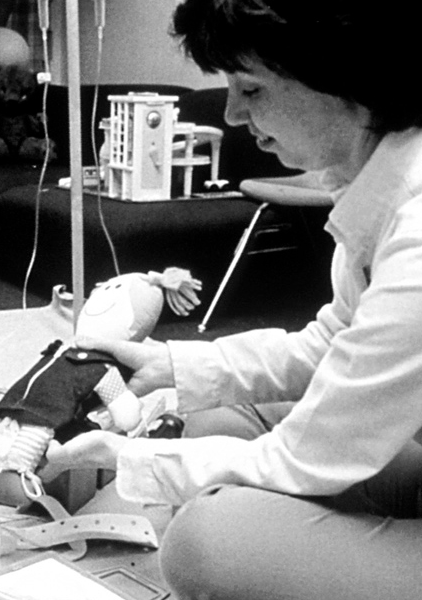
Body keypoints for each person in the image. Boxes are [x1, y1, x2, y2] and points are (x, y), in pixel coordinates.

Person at [40, 1, 422, 599]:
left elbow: (308, 460)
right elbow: (332, 344)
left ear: (348, 81)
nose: (232, 114)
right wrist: (172, 365)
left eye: (251, 88)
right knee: (218, 421)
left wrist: (127, 458)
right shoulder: (376, 181)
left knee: (208, 540)